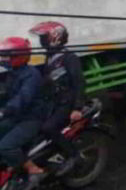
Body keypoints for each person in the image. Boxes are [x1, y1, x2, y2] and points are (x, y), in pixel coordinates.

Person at [24, 22, 85, 178]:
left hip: (67, 103)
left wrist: (77, 108)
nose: (41, 42)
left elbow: (79, 83)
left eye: (44, 38)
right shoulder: (50, 57)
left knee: (48, 128)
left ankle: (74, 155)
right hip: (53, 103)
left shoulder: (69, 58)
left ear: (54, 38)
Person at [0, 37, 44, 183]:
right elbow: (6, 93)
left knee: (5, 146)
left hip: (31, 118)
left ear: (20, 56)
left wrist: (3, 111)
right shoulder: (14, 71)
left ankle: (33, 169)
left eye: (7, 55)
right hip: (16, 116)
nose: (3, 58)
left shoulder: (31, 75)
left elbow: (22, 98)